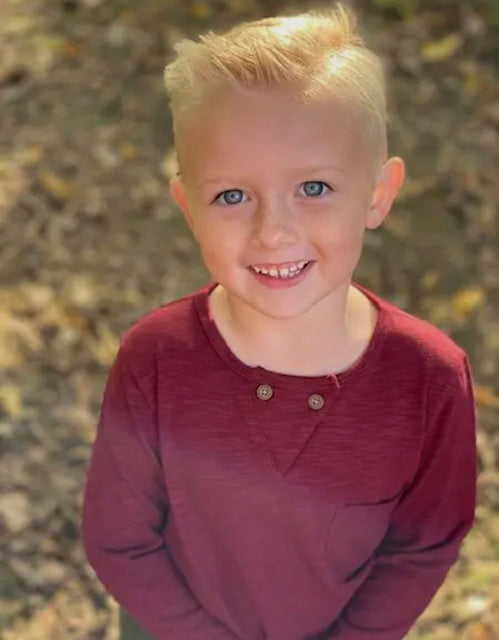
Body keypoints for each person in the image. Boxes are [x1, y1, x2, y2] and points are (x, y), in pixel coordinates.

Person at [81, 3, 477, 639]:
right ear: (189, 207)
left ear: (377, 193)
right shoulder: (155, 358)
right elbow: (120, 540)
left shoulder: (429, 379)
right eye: (232, 196)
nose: (274, 232)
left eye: (314, 188)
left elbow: (421, 546)